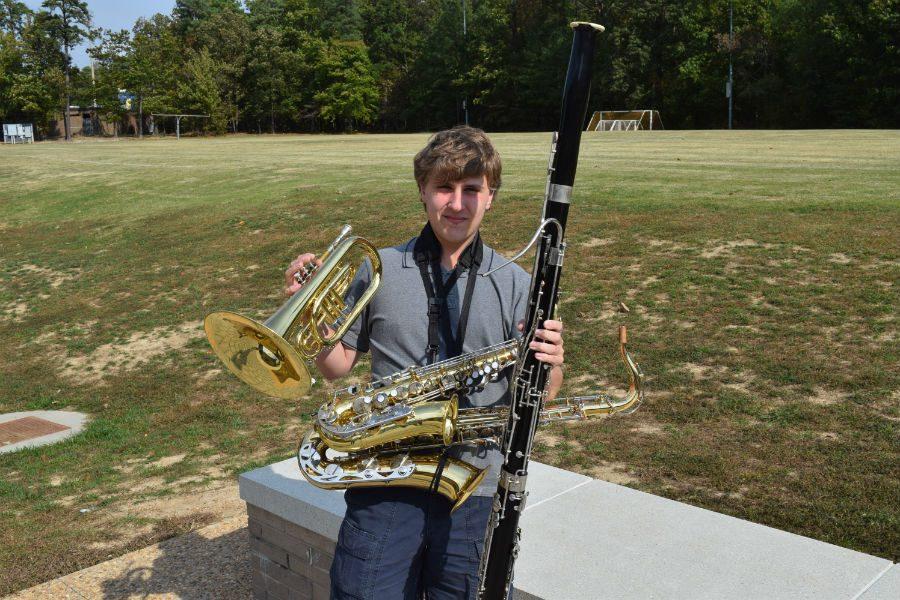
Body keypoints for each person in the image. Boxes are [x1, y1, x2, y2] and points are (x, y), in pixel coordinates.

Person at [284, 126, 564, 600]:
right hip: (385, 477)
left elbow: (543, 391)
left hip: (474, 483)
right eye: (444, 188)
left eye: (471, 189)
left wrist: (551, 363)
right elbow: (337, 366)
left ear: (490, 196)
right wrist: (312, 321)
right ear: (423, 192)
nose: (457, 203)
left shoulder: (519, 284)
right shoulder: (379, 268)